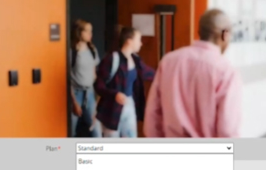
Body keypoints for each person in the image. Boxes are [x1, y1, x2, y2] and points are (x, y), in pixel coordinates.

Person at [144, 9, 242, 138]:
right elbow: (227, 130)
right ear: (225, 34)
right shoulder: (226, 71)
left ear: (200, 32)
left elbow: (152, 117)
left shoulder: (168, 61)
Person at [94, 26, 155, 138]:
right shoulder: (111, 59)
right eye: (139, 40)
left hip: (130, 105)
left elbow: (150, 74)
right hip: (112, 110)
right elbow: (99, 85)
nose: (141, 44)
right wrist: (115, 94)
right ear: (129, 41)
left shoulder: (136, 60)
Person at [70, 19, 101, 137]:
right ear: (79, 32)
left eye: (91, 31)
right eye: (87, 31)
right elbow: (67, 80)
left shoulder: (92, 50)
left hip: (90, 93)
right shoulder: (72, 52)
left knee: (96, 129)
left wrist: (98, 94)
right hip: (75, 93)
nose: (90, 34)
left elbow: (94, 74)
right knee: (71, 130)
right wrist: (74, 102)